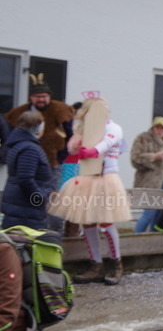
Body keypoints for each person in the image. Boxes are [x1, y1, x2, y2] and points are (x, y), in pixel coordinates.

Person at [48, 98, 131, 285]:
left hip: (106, 178)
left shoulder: (114, 127)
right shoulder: (84, 128)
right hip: (86, 177)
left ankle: (116, 264)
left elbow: (106, 144)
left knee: (106, 222)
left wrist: (93, 151)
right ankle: (96, 265)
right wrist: (76, 142)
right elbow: (70, 147)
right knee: (87, 222)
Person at [4, 74, 75, 180]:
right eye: (37, 97)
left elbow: (71, 134)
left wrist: (61, 157)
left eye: (44, 97)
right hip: (26, 159)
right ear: (31, 97)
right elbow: (9, 136)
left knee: (49, 190)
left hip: (53, 161)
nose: (41, 99)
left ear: (49, 97)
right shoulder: (19, 113)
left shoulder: (60, 110)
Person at [2, 113, 54, 230]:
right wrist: (39, 197)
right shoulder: (29, 149)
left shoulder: (18, 144)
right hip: (26, 207)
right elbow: (25, 179)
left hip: (20, 204)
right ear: (38, 128)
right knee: (26, 243)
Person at [130, 116, 163, 233]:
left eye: (162, 128)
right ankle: (135, 241)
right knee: (149, 213)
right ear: (152, 128)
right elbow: (135, 159)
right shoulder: (143, 138)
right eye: (157, 128)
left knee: (160, 214)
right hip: (149, 183)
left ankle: (152, 243)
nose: (159, 130)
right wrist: (153, 157)